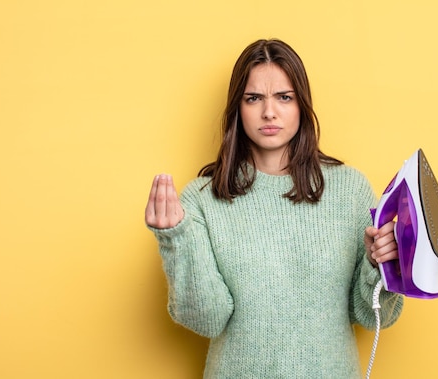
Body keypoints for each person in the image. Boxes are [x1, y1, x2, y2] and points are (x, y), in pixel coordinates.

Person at [145, 38, 403, 378]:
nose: (269, 112)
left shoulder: (350, 190)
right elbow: (208, 319)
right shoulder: (202, 199)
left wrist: (379, 264)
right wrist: (174, 241)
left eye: (284, 97)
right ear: (238, 107)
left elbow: (371, 316)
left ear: (302, 105)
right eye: (254, 98)